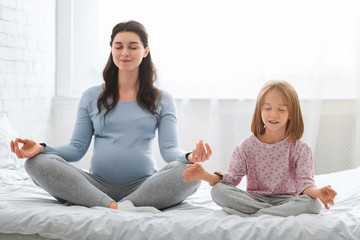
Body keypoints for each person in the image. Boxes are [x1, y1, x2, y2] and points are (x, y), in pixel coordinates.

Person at [10, 20, 211, 213]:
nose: (125, 52)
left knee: (192, 173)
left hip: (145, 186)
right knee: (36, 162)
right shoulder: (91, 96)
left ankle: (119, 205)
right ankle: (114, 206)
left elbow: (169, 150)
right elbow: (76, 149)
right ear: (112, 50)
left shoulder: (162, 98)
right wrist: (42, 148)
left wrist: (190, 157)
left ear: (145, 51)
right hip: (96, 186)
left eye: (133, 47)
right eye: (118, 46)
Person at [183, 80, 337, 217]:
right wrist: (204, 175)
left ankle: (259, 214)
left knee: (313, 204)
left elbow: (306, 184)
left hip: (288, 199)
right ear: (260, 111)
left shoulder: (300, 149)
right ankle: (270, 212)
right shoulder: (247, 146)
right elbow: (231, 179)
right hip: (254, 198)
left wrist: (318, 193)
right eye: (268, 108)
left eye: (281, 110)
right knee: (218, 191)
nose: (274, 114)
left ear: (291, 114)